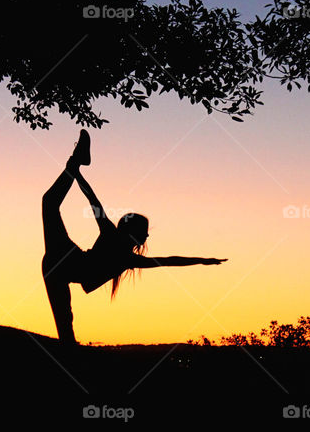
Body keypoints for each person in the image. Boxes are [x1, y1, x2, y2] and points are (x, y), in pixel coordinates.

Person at [40, 129, 227, 344]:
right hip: (65, 258)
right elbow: (169, 261)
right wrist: (204, 261)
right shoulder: (125, 254)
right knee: (49, 203)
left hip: (62, 260)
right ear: (134, 233)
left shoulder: (116, 240)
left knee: (49, 203)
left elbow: (92, 198)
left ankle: (75, 161)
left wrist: (76, 172)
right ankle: (75, 161)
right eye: (145, 233)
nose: (147, 236)